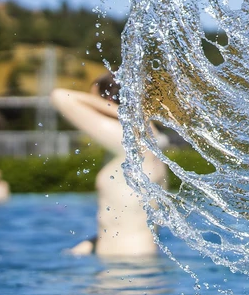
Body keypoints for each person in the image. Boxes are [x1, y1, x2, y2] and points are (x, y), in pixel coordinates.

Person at [51, 74, 167, 257]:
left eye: (93, 102)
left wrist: (111, 108)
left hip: (125, 267)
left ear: (108, 101)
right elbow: (126, 218)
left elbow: (60, 96)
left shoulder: (130, 141)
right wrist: (90, 245)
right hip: (135, 261)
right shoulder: (146, 144)